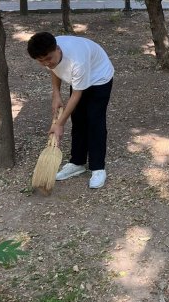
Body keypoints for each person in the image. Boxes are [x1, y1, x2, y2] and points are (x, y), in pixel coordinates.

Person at [27, 32, 114, 189]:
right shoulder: (49, 51)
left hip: (99, 77)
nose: (46, 63)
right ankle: (77, 163)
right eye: (41, 61)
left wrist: (59, 124)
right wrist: (56, 94)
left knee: (95, 121)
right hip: (79, 79)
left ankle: (98, 168)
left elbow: (76, 94)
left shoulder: (77, 61)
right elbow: (54, 69)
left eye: (48, 58)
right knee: (78, 119)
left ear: (58, 49)